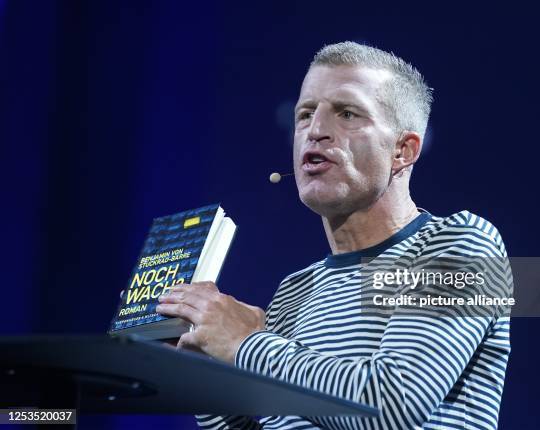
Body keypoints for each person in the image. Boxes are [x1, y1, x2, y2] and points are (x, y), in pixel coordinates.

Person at [156, 41, 512, 429]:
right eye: (305, 114)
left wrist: (245, 343)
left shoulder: (461, 244)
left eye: (347, 113)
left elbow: (391, 407)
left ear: (403, 151)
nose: (316, 131)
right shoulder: (296, 290)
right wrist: (207, 368)